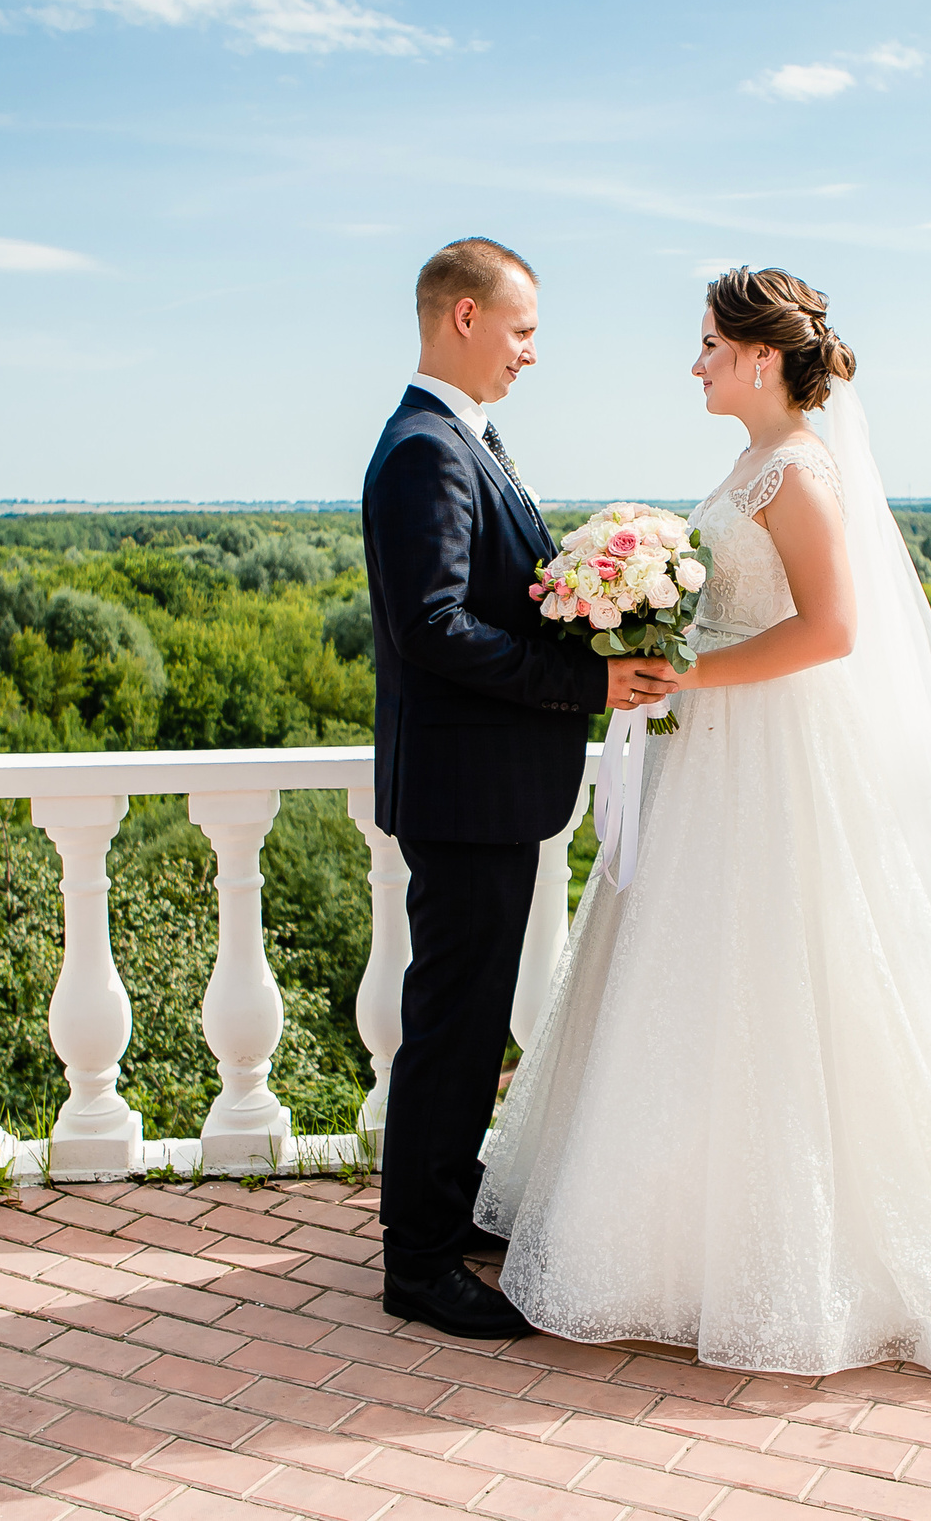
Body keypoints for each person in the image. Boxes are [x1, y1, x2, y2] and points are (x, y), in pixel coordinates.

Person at [475, 267, 931, 1379]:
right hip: (717, 759)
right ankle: (669, 1239)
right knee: (690, 984)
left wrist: (689, 670)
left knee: (780, 981)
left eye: (704, 344)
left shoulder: (796, 469)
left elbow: (832, 631)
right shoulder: (749, 463)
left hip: (771, 758)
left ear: (755, 355)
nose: (692, 363)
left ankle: (786, 1257)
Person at [361, 238, 678, 1342]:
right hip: (464, 792)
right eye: (522, 329)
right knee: (453, 1025)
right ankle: (420, 1266)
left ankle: (440, 1217)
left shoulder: (463, 441)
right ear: (461, 317)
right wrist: (585, 679)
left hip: (479, 790)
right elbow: (434, 628)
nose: (531, 353)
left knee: (469, 1014)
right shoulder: (426, 452)